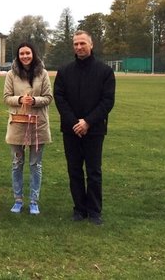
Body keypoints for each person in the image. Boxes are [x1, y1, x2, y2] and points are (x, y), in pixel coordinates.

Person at [54, 30, 115, 225]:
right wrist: (74, 123)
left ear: (91, 45)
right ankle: (79, 209)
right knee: (74, 170)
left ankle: (95, 211)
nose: (79, 47)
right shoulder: (64, 71)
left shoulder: (105, 72)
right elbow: (60, 99)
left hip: (94, 130)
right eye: (76, 44)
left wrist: (87, 122)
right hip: (71, 129)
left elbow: (107, 101)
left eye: (82, 43)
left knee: (94, 171)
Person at [3, 42, 52, 215]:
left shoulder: (43, 73)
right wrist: (19, 100)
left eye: (28, 53)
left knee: (35, 164)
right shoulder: (11, 74)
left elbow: (48, 97)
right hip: (18, 124)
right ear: (18, 56)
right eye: (22, 53)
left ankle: (33, 200)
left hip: (38, 124)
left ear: (33, 54)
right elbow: (6, 97)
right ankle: (18, 199)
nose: (25, 56)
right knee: (17, 163)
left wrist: (35, 100)